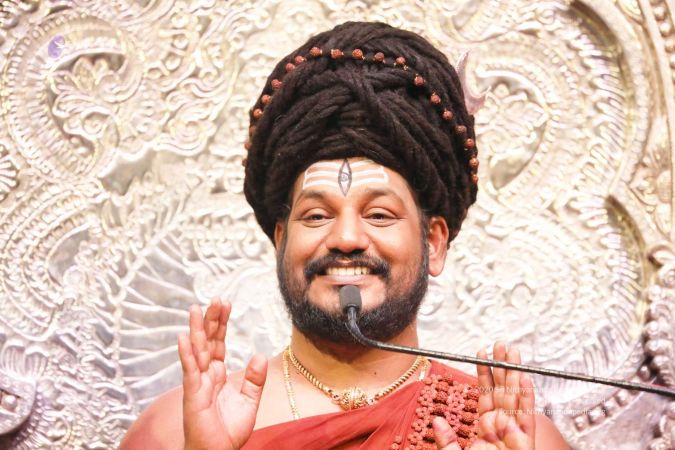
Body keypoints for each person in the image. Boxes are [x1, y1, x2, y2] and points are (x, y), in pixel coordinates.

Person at [120, 21, 570, 449]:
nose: (347, 237)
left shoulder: (508, 435)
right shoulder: (177, 431)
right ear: (281, 241)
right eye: (316, 216)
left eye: (379, 214)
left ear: (433, 242)